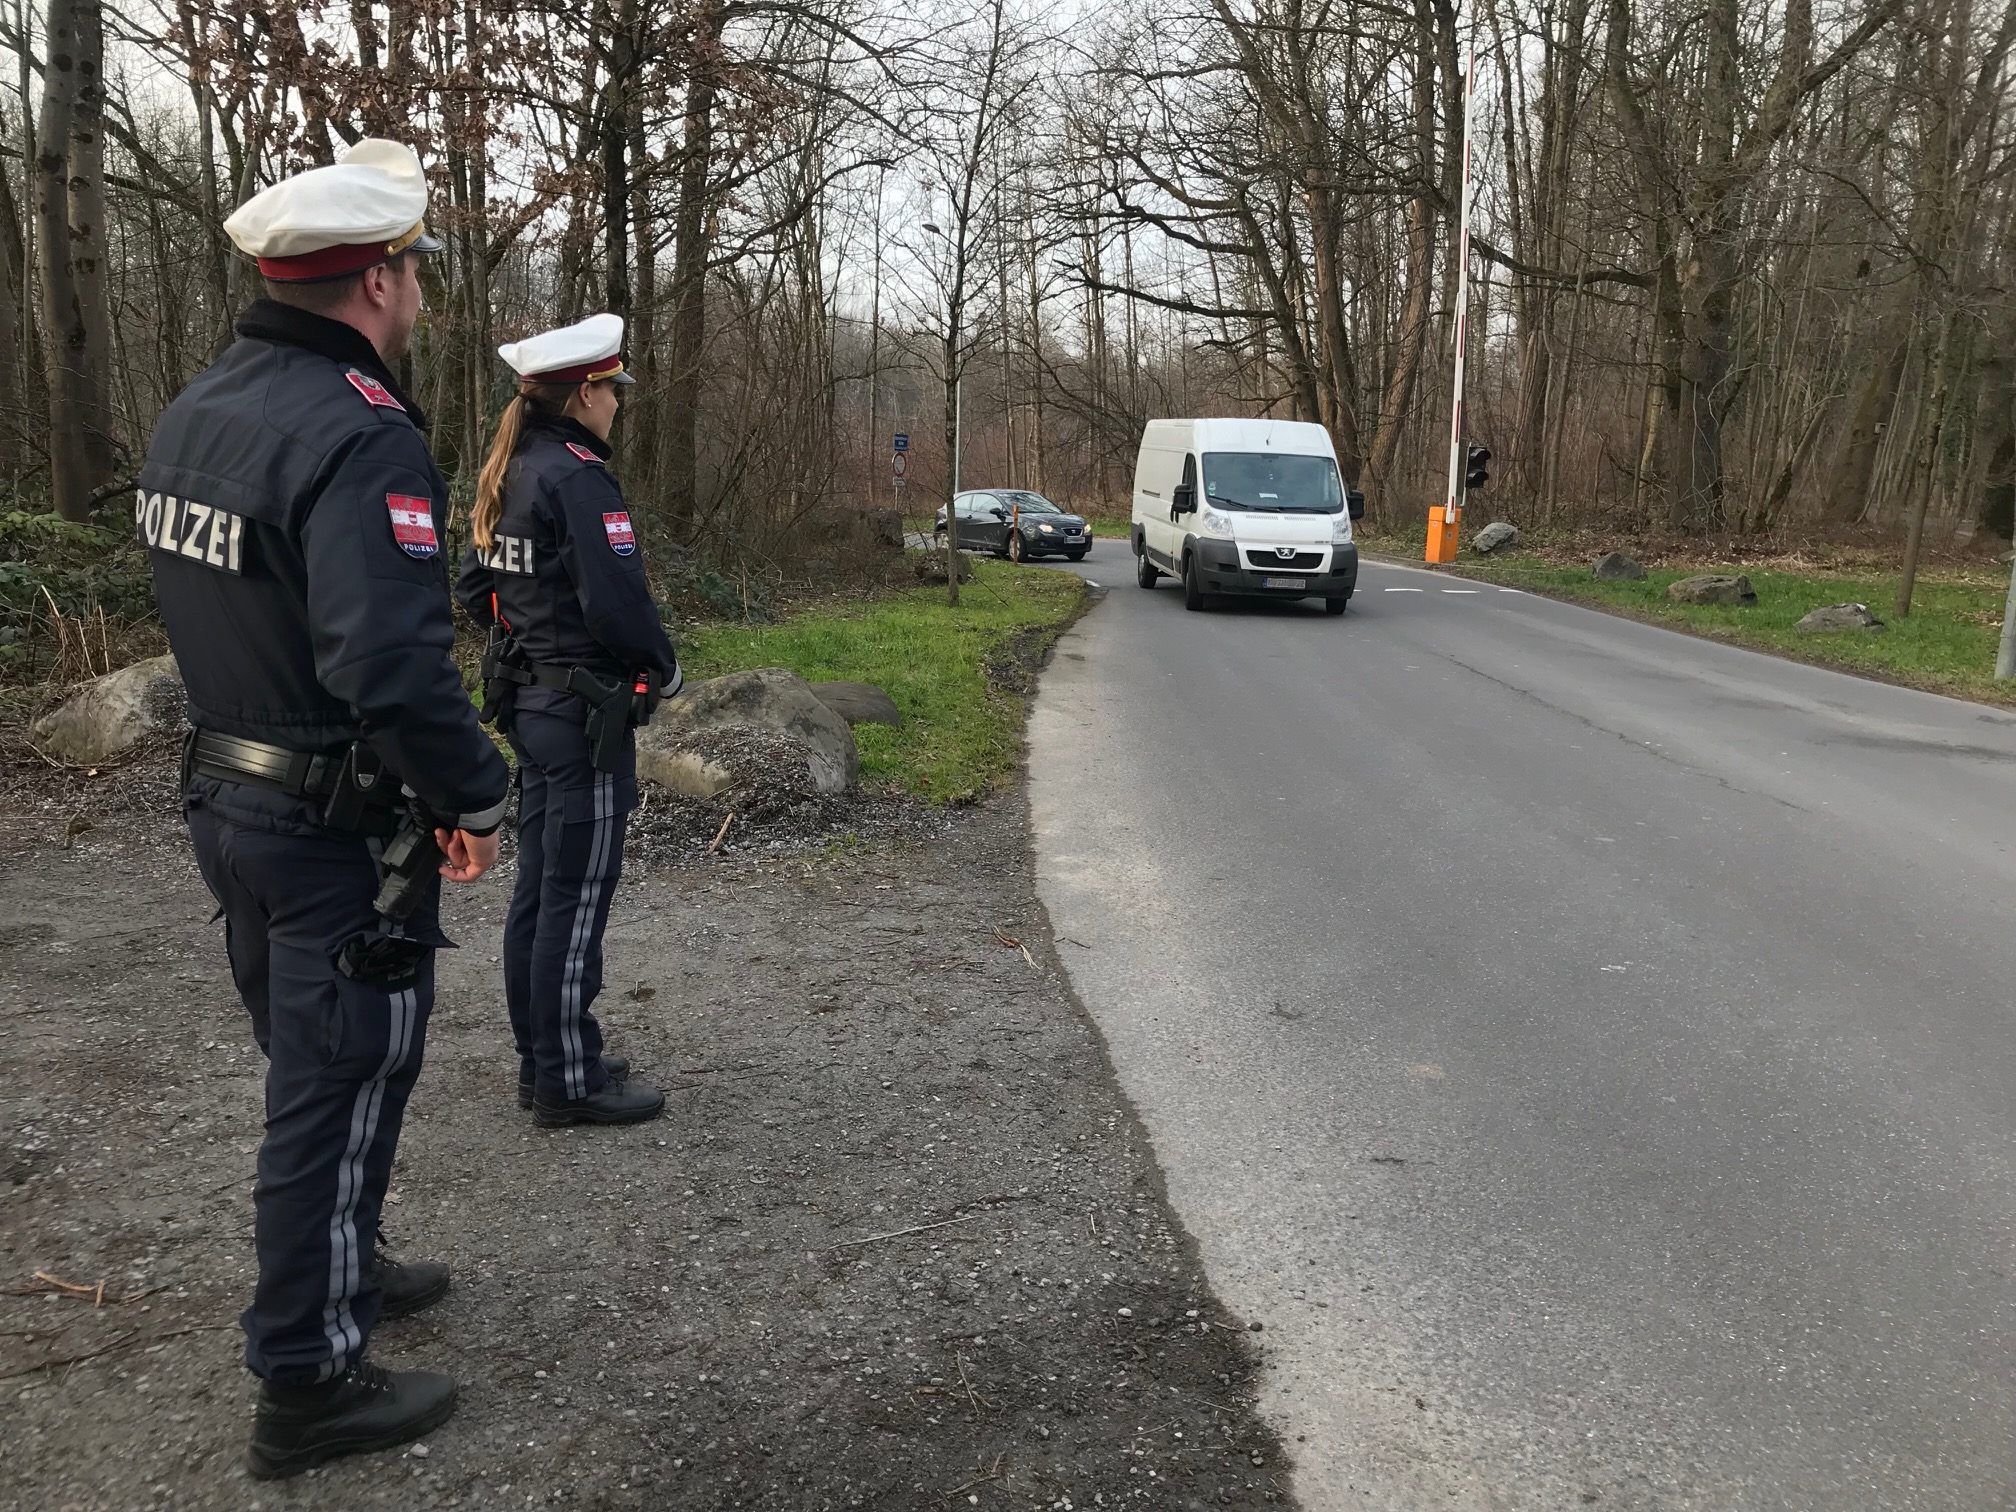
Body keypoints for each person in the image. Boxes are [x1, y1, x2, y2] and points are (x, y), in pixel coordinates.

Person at [135, 139, 512, 1479]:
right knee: (332, 1080)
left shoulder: (200, 412)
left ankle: (347, 1262)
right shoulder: (359, 428)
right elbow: (389, 669)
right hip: (324, 825)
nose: (420, 296)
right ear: (375, 280)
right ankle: (306, 1381)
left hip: (227, 803)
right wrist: (474, 790)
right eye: (414, 270)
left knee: (329, 1071)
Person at [454, 314, 680, 1128]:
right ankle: (566, 1078)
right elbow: (618, 603)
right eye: (614, 390)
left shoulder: (511, 467)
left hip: (531, 704)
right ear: (585, 391)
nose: (619, 403)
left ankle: (544, 1057)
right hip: (583, 715)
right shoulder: (577, 476)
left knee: (541, 891)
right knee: (576, 896)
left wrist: (531, 640)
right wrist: (661, 664)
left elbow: (474, 587)